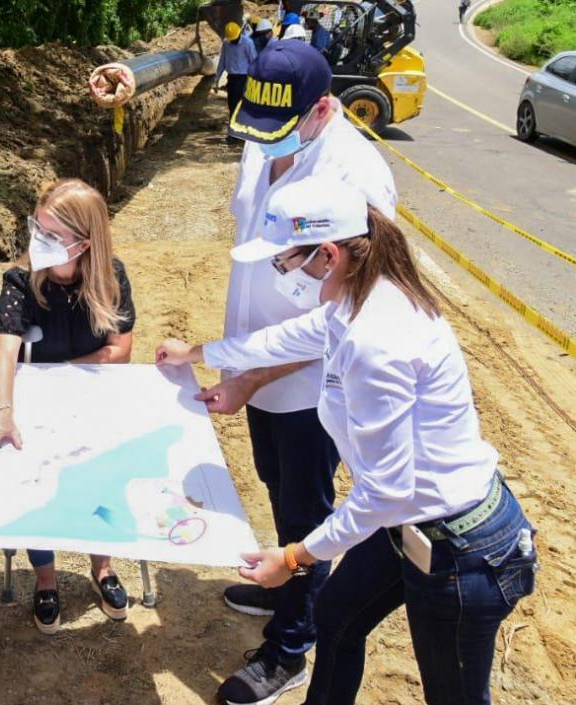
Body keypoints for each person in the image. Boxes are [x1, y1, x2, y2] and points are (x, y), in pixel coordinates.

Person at [157, 176, 537, 705]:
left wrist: (292, 559)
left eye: (285, 261)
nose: (283, 272)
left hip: (458, 548)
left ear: (328, 255)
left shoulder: (375, 341)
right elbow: (291, 336)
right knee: (336, 618)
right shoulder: (357, 298)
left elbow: (384, 492)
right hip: (411, 524)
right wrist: (200, 353)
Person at [205, 41, 396, 705]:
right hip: (258, 361)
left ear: (323, 108)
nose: (263, 139)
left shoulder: (357, 177)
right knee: (276, 484)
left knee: (306, 508)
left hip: (312, 383)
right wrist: (233, 357)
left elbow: (344, 311)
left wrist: (252, 374)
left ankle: (291, 644)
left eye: (279, 127)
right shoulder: (268, 130)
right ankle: (284, 587)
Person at [0, 179, 136, 634]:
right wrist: (3, 406)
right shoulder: (20, 283)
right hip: (40, 407)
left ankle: (102, 568)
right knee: (40, 486)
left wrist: (66, 370)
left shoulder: (111, 277)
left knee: (101, 481)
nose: (38, 241)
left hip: (94, 401)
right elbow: (4, 350)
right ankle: (45, 579)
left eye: (51, 235)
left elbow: (120, 349)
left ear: (85, 242)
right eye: (37, 228)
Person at [217, 22, 259, 138]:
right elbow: (222, 61)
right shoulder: (226, 44)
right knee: (232, 105)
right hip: (231, 78)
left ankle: (240, 133)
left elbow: (254, 61)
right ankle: (234, 132)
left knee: (240, 106)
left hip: (244, 78)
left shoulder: (247, 43)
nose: (233, 41)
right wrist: (217, 79)